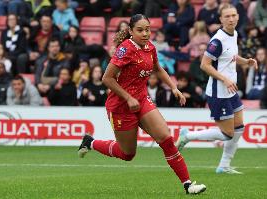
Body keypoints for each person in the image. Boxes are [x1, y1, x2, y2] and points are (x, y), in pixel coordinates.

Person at [78, 14, 206, 195]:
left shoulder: (150, 47)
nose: (145, 33)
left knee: (166, 139)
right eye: (140, 30)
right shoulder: (124, 50)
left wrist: (174, 87)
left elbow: (158, 68)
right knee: (127, 154)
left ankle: (188, 185)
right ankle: (91, 143)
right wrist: (128, 98)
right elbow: (106, 78)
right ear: (130, 31)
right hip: (121, 106)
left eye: (148, 29)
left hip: (142, 100)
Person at [175, 4, 258, 174]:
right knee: (228, 133)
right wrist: (224, 79)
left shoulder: (234, 34)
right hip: (218, 92)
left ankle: (224, 166)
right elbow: (205, 65)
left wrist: (245, 61)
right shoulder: (217, 40)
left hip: (230, 89)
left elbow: (231, 57)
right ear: (220, 19)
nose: (231, 19)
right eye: (227, 16)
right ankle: (187, 136)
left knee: (239, 127)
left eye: (234, 15)